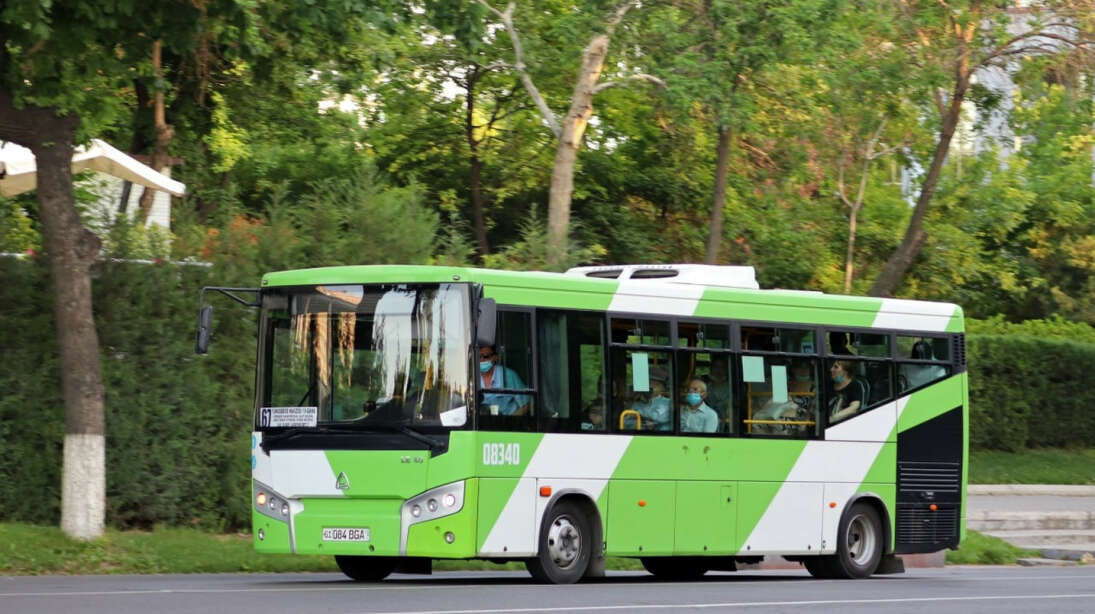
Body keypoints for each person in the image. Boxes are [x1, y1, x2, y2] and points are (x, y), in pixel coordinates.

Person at [479, 345, 530, 416]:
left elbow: (526, 404)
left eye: (485, 356)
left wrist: (511, 420)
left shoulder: (508, 375)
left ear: (495, 358)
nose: (481, 360)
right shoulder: (473, 377)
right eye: (479, 357)